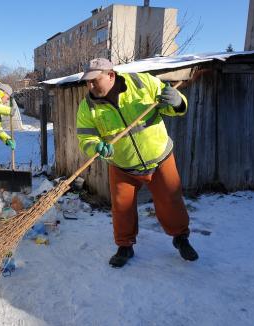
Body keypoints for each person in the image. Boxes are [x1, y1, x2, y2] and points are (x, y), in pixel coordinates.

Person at [76, 58, 199, 268]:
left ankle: (181, 238)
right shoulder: (88, 107)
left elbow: (173, 108)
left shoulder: (142, 83)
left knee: (171, 200)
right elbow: (85, 137)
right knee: (121, 208)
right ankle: (125, 246)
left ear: (111, 75)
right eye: (88, 82)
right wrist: (96, 147)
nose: (91, 86)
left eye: (95, 80)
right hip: (122, 166)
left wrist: (177, 101)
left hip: (159, 157)